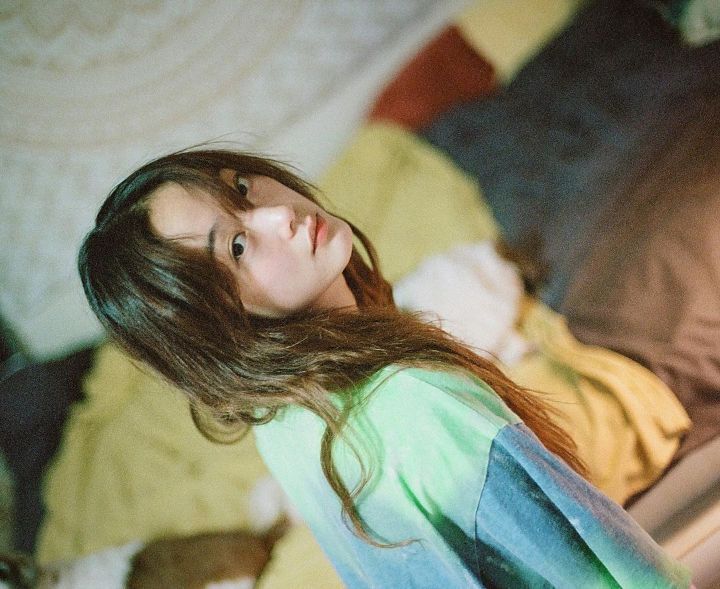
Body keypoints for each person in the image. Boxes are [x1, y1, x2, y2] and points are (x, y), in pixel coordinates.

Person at [78, 148, 691, 588]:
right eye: (236, 247)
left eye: (241, 187)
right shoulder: (415, 402)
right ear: (215, 325)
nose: (277, 215)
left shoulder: (283, 420)